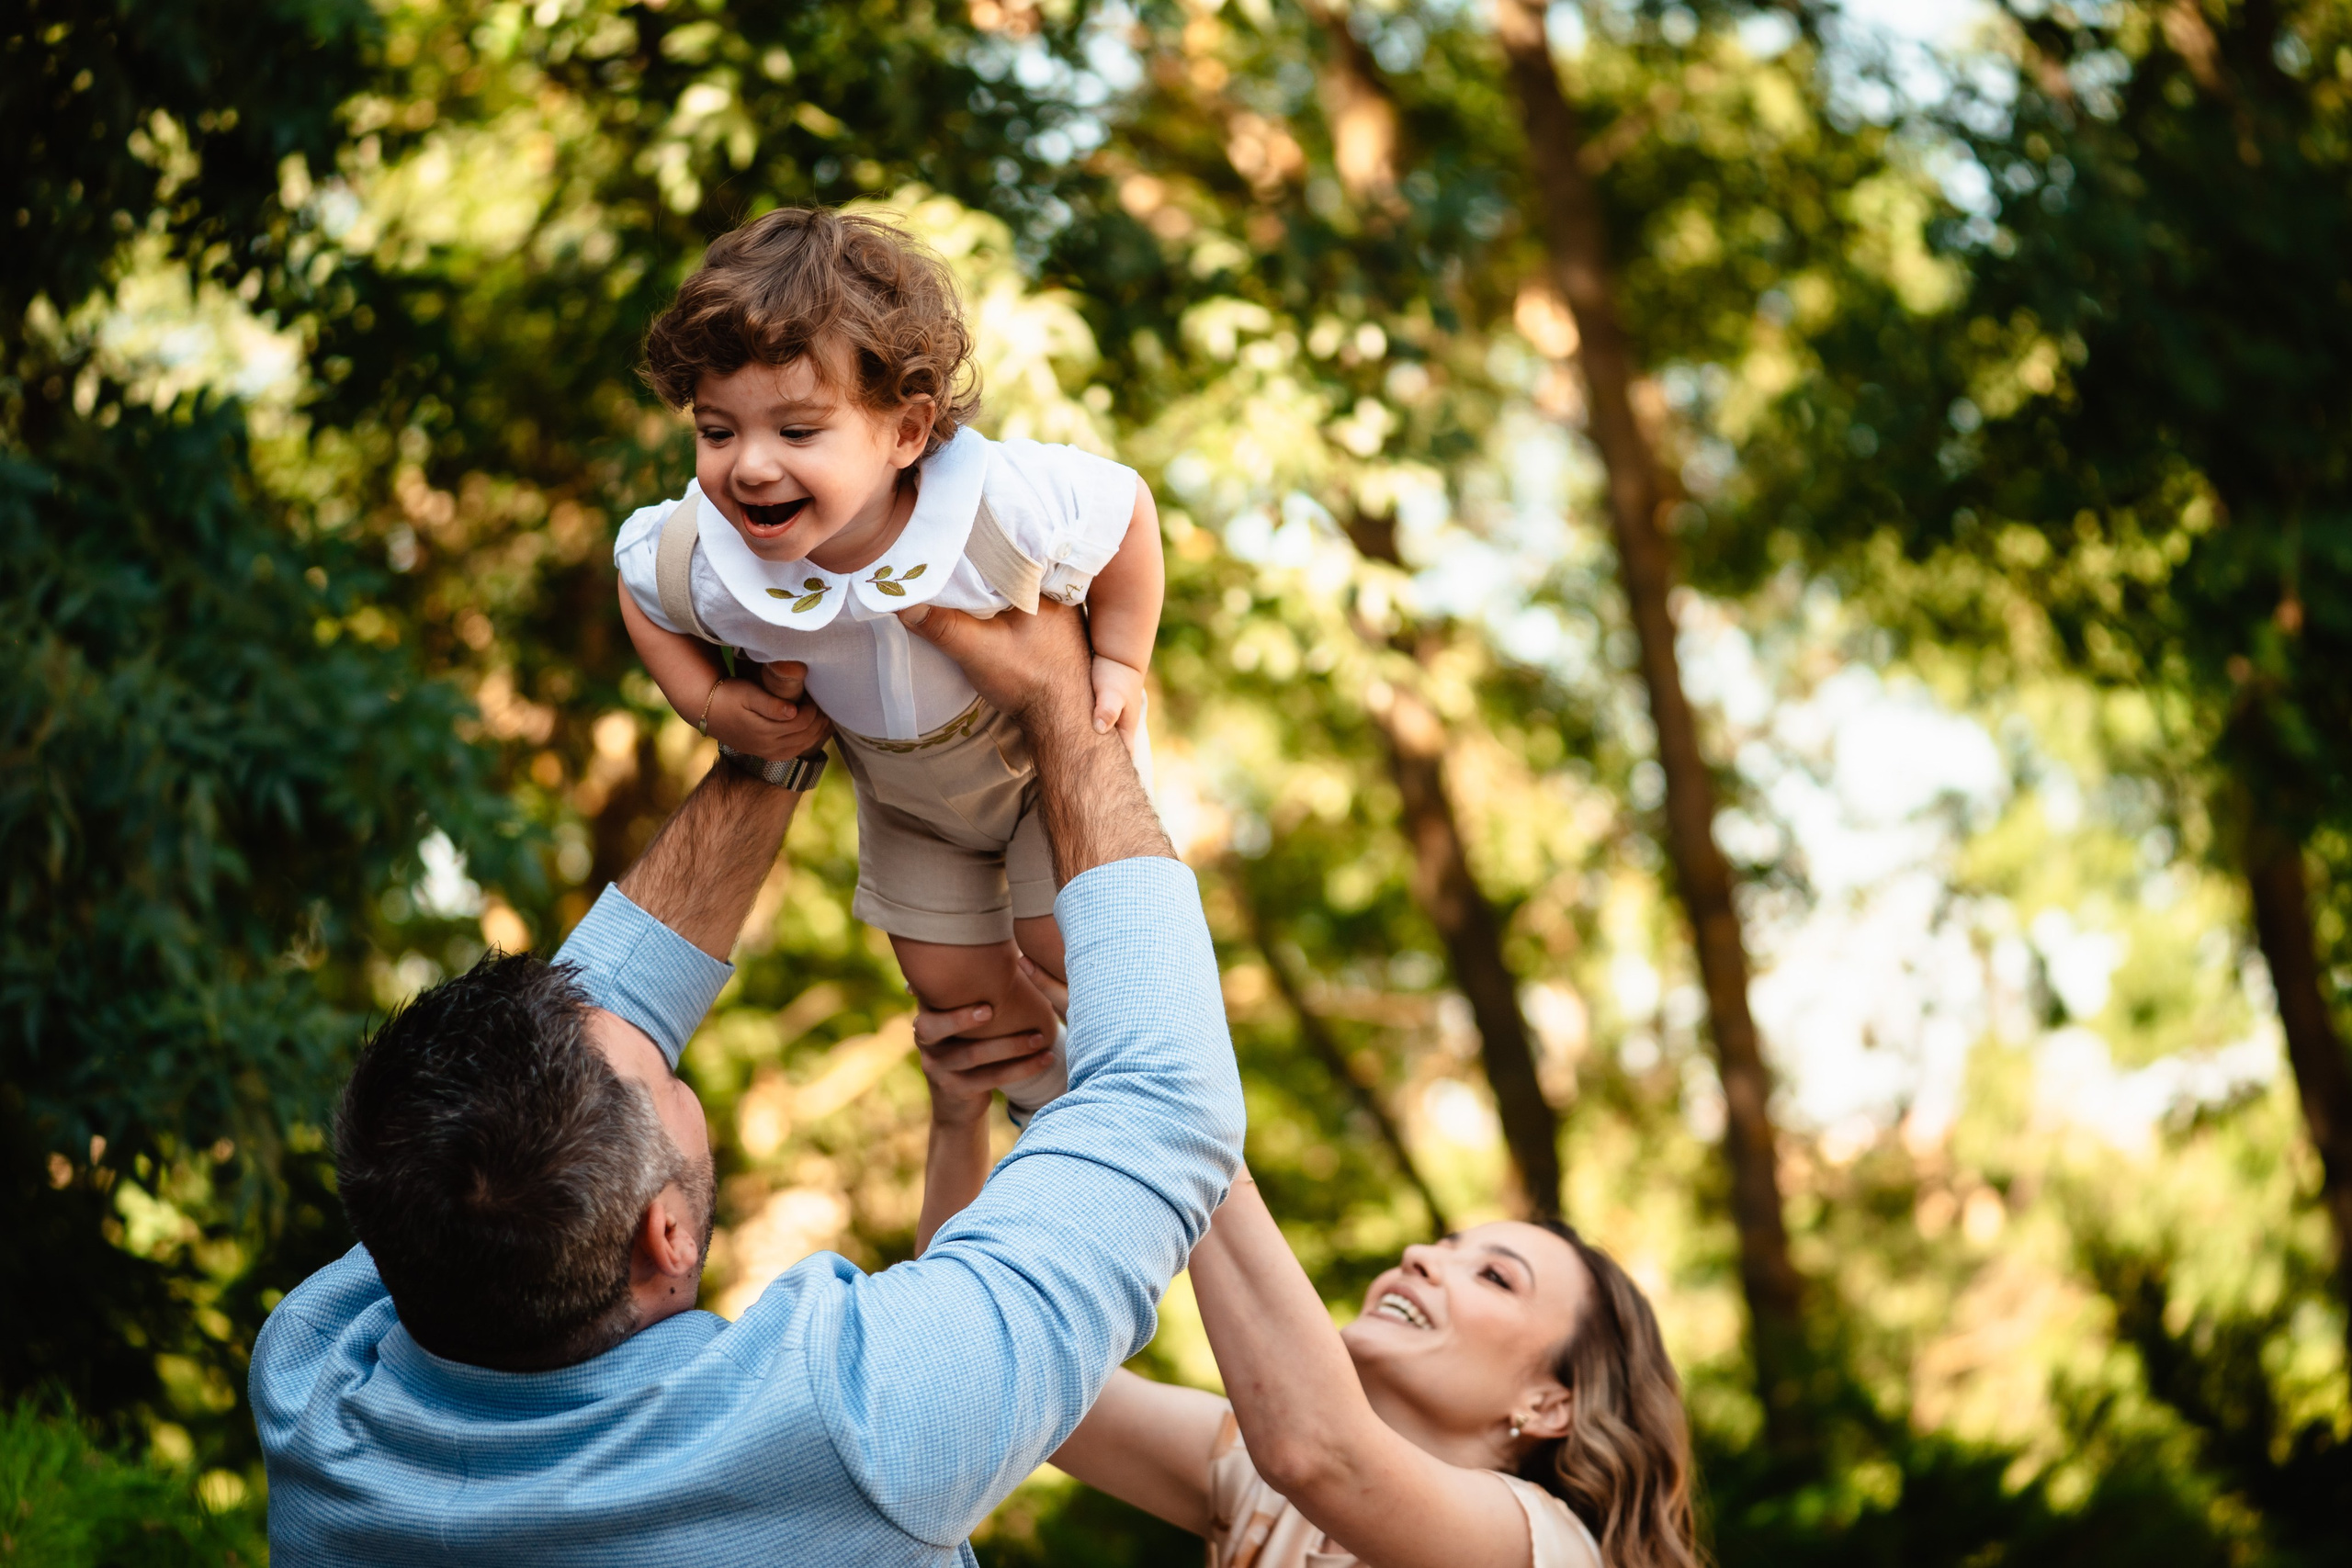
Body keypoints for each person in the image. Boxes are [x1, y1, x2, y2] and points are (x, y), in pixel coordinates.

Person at [249, 599, 1243, 1566]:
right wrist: (1065, 706)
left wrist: (776, 744)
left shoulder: (322, 1384)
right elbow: (1160, 1100)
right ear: (666, 1237)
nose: (657, 1036)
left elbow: (602, 1015)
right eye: (667, 1075)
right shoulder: (848, 1431)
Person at [614, 205, 1164, 1119]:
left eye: (797, 432)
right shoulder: (711, 560)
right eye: (717, 432)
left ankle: (1158, 1107)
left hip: (1040, 768)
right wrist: (707, 701)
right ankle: (1053, 1108)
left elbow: (1126, 511)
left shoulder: (996, 508)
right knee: (954, 990)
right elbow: (641, 584)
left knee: (1065, 942)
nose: (749, 467)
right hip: (907, 804)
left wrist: (1121, 660)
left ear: (906, 431)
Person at [915, 973, 1701, 1568]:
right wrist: (962, 1114)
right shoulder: (1257, 1477)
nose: (1422, 1256)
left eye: (1495, 1276)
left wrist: (1167, 1086)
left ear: (1550, 1403)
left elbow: (1319, 1451)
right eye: (1444, 1244)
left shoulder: (1546, 1547)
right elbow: (990, 1371)